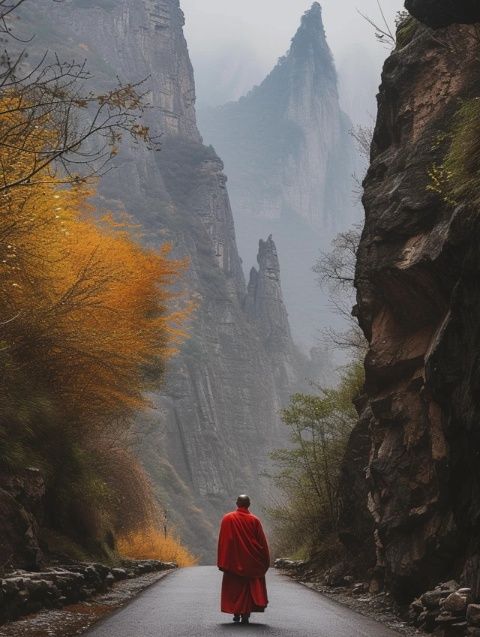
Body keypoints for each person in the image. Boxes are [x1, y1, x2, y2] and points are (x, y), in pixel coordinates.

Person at [217, 494, 270, 625]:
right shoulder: (255, 520)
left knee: (235, 587)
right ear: (249, 504)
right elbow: (262, 543)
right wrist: (264, 561)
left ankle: (236, 612)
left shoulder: (228, 519)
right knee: (248, 587)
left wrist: (223, 560)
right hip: (251, 562)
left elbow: (224, 542)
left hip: (233, 562)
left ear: (237, 503)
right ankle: (246, 614)